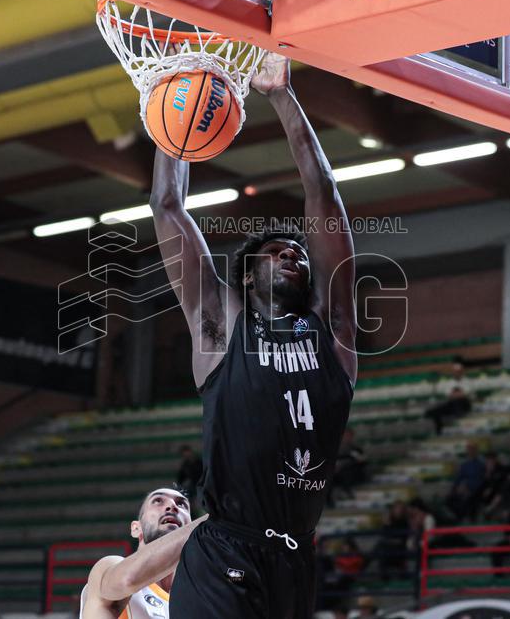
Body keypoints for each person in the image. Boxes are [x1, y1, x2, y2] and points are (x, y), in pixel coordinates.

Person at [152, 52, 357, 619]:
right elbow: (167, 207)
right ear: (246, 274)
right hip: (224, 548)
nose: (293, 254)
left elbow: (325, 197)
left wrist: (282, 95)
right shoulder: (220, 329)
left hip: (296, 559)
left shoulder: (333, 334)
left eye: (299, 252)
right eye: (276, 251)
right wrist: (175, 113)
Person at [80, 487, 202, 618]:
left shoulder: (197, 601)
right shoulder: (109, 567)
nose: (172, 506)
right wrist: (212, 522)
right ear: (136, 528)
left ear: (189, 523)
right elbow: (128, 580)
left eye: (181, 504)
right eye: (158, 501)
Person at [447, 441, 487, 520]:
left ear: (476, 451)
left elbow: (483, 480)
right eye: (469, 449)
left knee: (470, 498)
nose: (470, 451)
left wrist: (469, 488)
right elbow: (458, 479)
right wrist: (454, 489)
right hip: (466, 489)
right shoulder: (464, 465)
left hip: (476, 490)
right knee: (450, 498)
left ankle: (468, 517)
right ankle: (458, 517)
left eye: (472, 449)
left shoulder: (481, 465)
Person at [332, 428, 368, 505]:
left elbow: (361, 460)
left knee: (347, 472)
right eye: (344, 436)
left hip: (352, 471)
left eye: (348, 436)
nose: (346, 438)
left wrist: (343, 465)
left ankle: (347, 491)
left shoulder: (356, 449)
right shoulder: (336, 449)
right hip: (337, 472)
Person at [175, 445, 203, 509]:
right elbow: (181, 478)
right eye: (184, 454)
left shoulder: (199, 462)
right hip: (193, 486)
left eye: (187, 452)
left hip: (201, 485)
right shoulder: (185, 465)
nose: (187, 455)